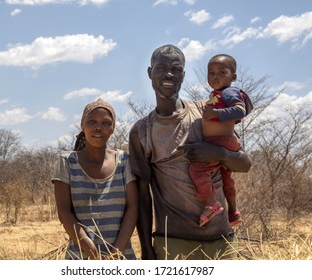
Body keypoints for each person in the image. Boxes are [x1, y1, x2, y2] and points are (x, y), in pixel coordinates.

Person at [128, 44, 251, 260]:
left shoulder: (206, 112)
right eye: (161, 68)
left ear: (183, 75)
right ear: (150, 73)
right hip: (174, 242)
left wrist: (218, 153)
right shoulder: (142, 130)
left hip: (221, 239)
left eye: (176, 69)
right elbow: (142, 196)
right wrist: (146, 248)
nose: (168, 74)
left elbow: (244, 164)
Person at [52, 98, 138, 260]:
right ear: (82, 125)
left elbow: (133, 208)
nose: (98, 127)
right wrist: (93, 252)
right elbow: (64, 212)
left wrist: (115, 253)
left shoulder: (124, 161)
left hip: (121, 257)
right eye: (92, 122)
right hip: (81, 257)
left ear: (112, 128)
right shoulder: (67, 162)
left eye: (106, 123)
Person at [189, 54, 253, 228]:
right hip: (222, 141)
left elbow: (240, 111)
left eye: (221, 72)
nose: (215, 77)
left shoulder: (230, 92)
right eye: (211, 73)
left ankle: (212, 203)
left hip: (220, 142)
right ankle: (233, 212)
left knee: (197, 170)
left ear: (233, 76)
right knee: (225, 177)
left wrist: (216, 114)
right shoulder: (217, 94)